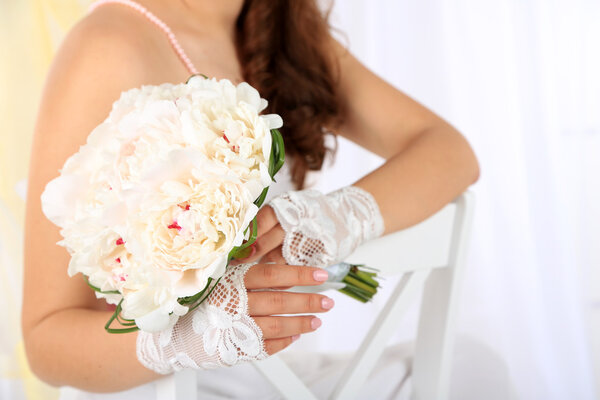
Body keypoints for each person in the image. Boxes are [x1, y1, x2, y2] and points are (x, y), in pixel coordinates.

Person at [22, 0, 480, 398]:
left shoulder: (285, 33)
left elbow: (450, 153)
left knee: (473, 367)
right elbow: (47, 341)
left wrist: (326, 220)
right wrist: (187, 339)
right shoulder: (108, 44)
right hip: (156, 388)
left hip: (275, 379)